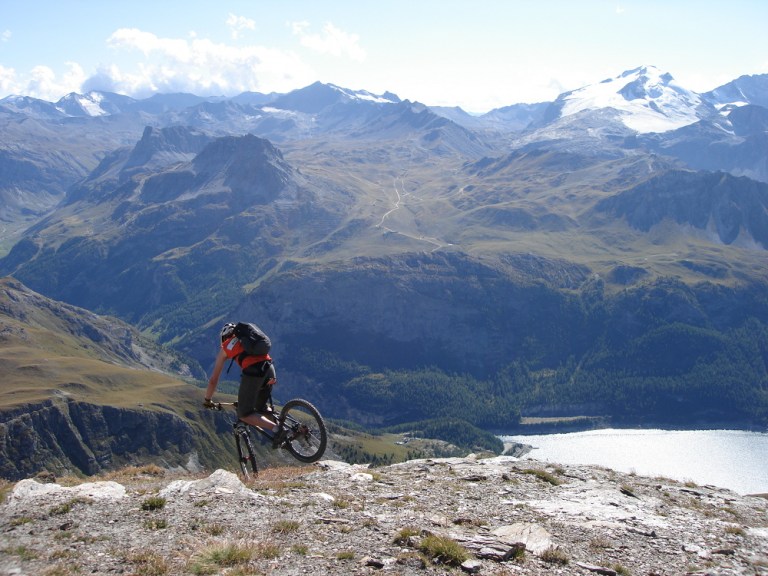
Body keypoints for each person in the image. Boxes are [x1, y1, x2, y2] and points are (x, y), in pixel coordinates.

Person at [203, 322, 287, 446]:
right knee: (260, 407)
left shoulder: (226, 347)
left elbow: (213, 380)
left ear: (224, 337)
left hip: (254, 372)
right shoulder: (250, 340)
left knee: (244, 414)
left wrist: (207, 399)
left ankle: (278, 429)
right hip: (269, 368)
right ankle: (291, 431)